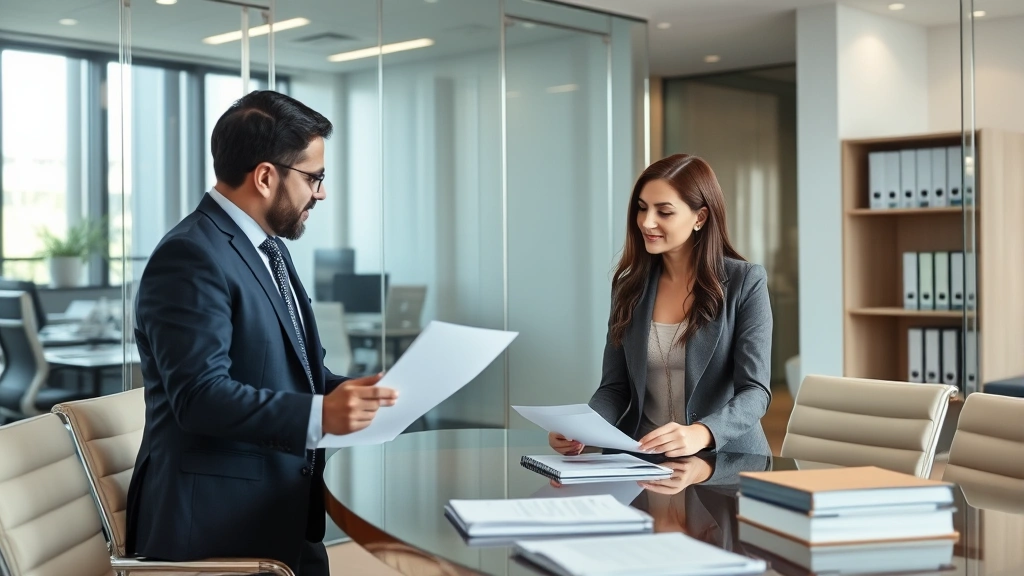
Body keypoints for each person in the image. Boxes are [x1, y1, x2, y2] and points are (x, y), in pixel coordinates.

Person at [125, 90, 399, 576]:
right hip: (215, 532)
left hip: (283, 513)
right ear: (267, 177)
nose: (321, 193)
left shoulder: (267, 247)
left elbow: (281, 370)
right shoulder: (190, 255)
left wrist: (348, 391)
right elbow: (200, 396)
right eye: (314, 177)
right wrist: (320, 412)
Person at [549, 154, 773, 458]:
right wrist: (582, 429)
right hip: (641, 459)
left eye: (664, 212)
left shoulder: (745, 281)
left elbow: (755, 392)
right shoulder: (629, 286)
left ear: (700, 218)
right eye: (642, 208)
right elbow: (615, 388)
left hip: (723, 462)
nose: (646, 222)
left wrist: (702, 433)